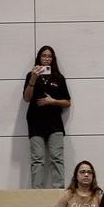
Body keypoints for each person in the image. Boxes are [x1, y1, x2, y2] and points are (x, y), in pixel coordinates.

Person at [23, 45, 71, 189]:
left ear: (53, 59)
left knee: (57, 159)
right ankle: (36, 192)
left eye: (49, 56)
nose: (46, 59)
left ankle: (58, 191)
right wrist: (33, 78)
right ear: (39, 58)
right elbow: (26, 98)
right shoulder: (30, 75)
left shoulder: (59, 77)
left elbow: (67, 102)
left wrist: (53, 101)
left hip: (54, 124)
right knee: (37, 160)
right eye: (44, 56)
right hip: (35, 123)